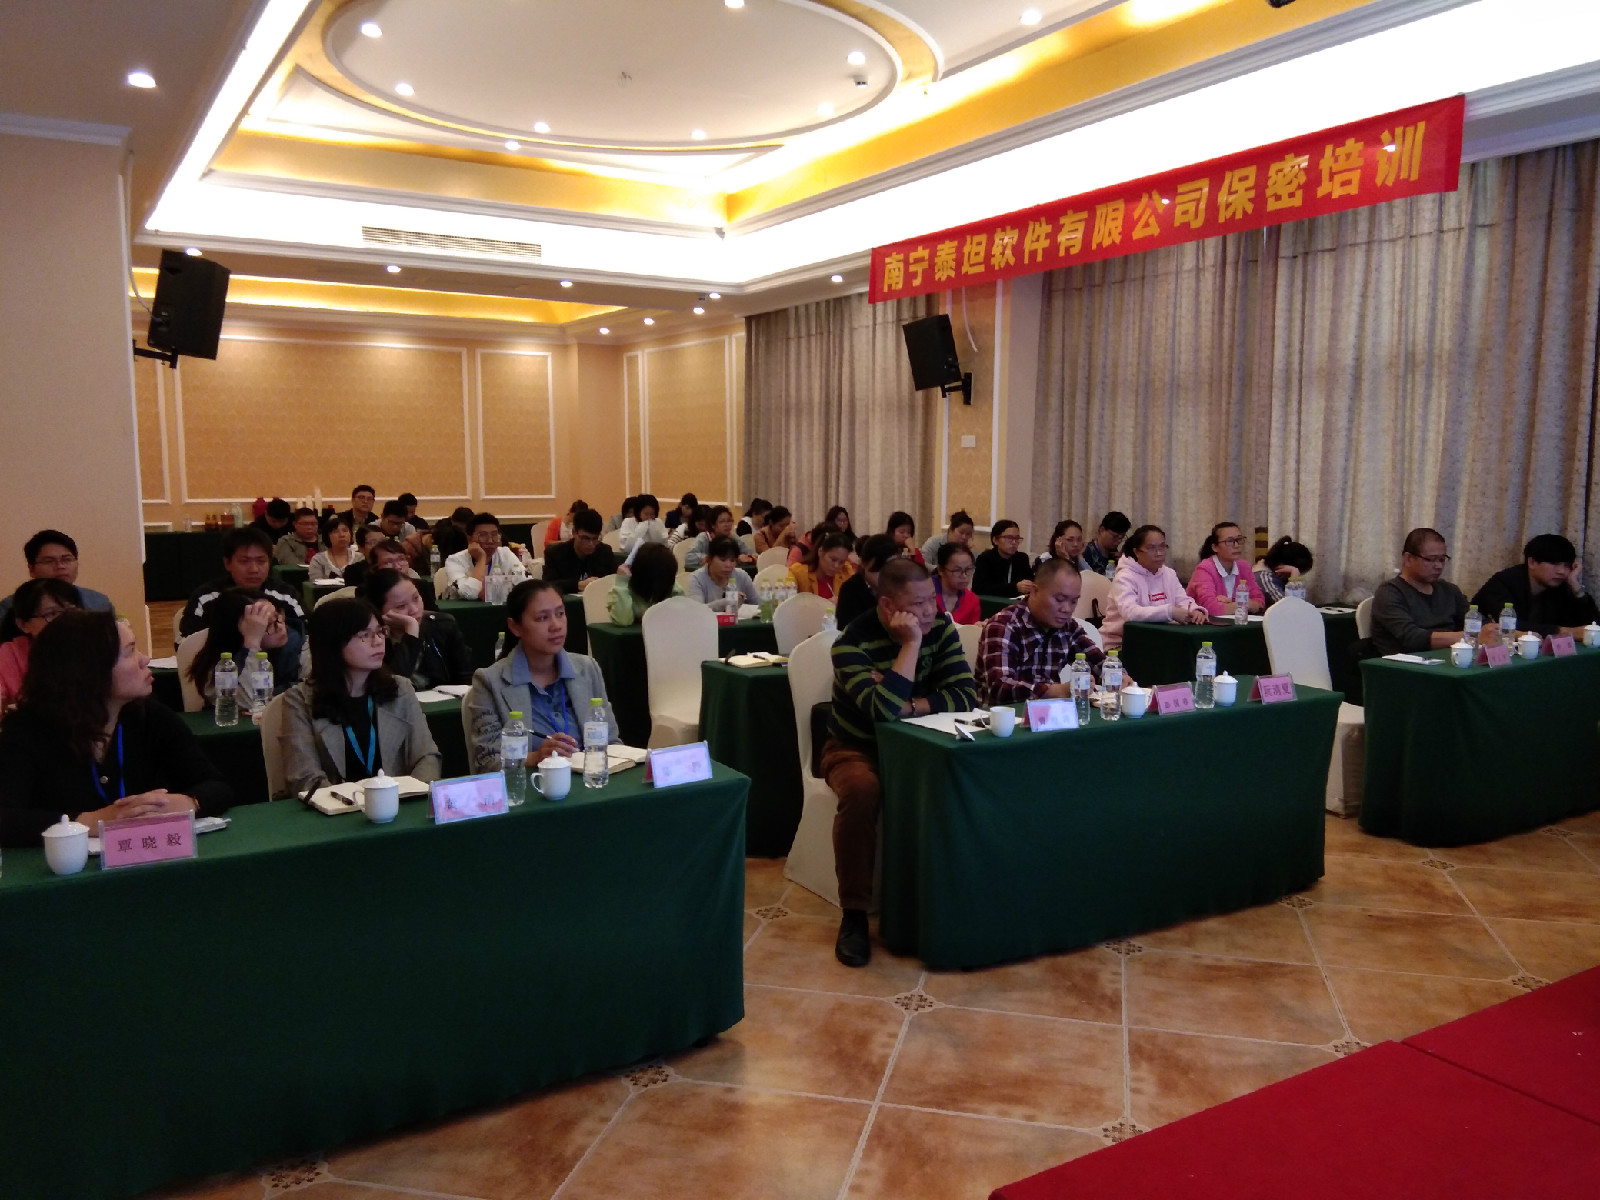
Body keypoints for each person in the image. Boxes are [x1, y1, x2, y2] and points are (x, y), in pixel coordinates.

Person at [824, 558, 977, 966]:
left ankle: (951, 900)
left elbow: (966, 694)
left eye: (932, 600)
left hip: (923, 745)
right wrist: (910, 646)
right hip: (857, 747)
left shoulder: (941, 627)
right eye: (918, 604)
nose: (929, 611)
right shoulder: (850, 644)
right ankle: (854, 914)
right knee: (861, 790)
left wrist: (910, 704)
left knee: (968, 777)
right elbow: (881, 712)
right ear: (889, 606)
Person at [0, 611, 233, 846]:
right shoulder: (27, 730)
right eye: (130, 651)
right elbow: (5, 817)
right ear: (89, 669)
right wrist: (89, 821)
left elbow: (216, 785)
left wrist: (188, 802)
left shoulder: (151, 717)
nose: (145, 659)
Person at [275, 597, 441, 798]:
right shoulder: (300, 700)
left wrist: (413, 795)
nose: (378, 641)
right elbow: (305, 777)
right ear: (333, 642)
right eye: (364, 635)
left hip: (397, 804)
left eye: (380, 632)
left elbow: (426, 757)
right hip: (336, 810)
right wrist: (353, 805)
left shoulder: (400, 689)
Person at [462, 579, 618, 773]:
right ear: (515, 627)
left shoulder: (587, 668)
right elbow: (486, 762)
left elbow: (612, 744)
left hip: (591, 782)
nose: (556, 625)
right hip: (533, 786)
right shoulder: (489, 681)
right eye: (542, 618)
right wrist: (534, 758)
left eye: (560, 614)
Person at [979, 559, 1110, 706]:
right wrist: (1056, 691)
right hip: (1004, 716)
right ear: (1034, 591)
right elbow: (999, 689)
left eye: (1073, 601)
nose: (1067, 609)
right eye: (1059, 599)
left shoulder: (1068, 627)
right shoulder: (1004, 625)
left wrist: (1118, 676)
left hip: (1051, 713)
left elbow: (1099, 663)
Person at [180, 527, 306, 639]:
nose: (254, 569)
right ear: (227, 563)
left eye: (261, 561)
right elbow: (184, 643)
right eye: (244, 561)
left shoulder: (286, 595)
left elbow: (308, 633)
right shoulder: (206, 598)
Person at [186, 587, 302, 706]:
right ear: (237, 632)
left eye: (278, 617)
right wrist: (252, 643)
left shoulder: (298, 645)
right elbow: (249, 703)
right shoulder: (220, 668)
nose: (280, 627)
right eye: (267, 625)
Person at [1100, 524, 1209, 649]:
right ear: (1137, 552)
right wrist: (1170, 612)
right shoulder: (1124, 577)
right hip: (1120, 643)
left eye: (1162, 547)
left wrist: (1195, 610)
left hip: (1159, 639)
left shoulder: (1169, 573)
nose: (1159, 553)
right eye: (1151, 548)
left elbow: (1183, 600)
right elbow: (1130, 613)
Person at [1370, 528, 1476, 655]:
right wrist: (1469, 637)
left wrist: (1488, 631)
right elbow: (1412, 638)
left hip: (1451, 657)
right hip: (1407, 662)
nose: (1438, 566)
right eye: (1431, 559)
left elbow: (1475, 621)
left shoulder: (1449, 590)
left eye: (1442, 559)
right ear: (1408, 559)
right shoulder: (1389, 592)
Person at [1470, 535, 1598, 637]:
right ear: (1532, 562)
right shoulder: (1503, 583)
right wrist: (1564, 631)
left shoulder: (1560, 586)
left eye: (1567, 565)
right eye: (1554, 564)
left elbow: (1593, 625)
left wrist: (1576, 588)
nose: (1562, 571)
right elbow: (1509, 625)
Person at [365, 568, 473, 690]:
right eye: (401, 606)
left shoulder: (443, 625)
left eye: (416, 598)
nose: (414, 610)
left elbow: (465, 680)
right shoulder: (373, 640)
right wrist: (411, 632)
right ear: (379, 611)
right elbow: (393, 688)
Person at [0, 530, 114, 623]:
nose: (60, 566)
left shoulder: (98, 602)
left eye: (67, 559)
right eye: (49, 561)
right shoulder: (11, 606)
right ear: (32, 569)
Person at [0, 578, 81, 708]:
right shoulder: (9, 655)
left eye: (71, 611)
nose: (66, 620)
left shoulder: (94, 647)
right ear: (23, 624)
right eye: (52, 613)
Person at [1186, 522, 1265, 617]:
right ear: (1215, 547)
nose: (1236, 545)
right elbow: (1210, 608)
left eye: (1239, 539)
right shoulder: (1204, 569)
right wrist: (1244, 604)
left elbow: (1259, 601)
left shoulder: (1244, 567)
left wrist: (1233, 604)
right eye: (1230, 541)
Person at [443, 512, 527, 600]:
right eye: (483, 535)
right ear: (470, 539)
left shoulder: (506, 554)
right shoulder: (455, 560)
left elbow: (524, 585)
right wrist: (481, 559)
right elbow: (469, 593)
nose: (490, 541)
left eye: (494, 535)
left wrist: (488, 591)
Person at [542, 508, 619, 594]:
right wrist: (577, 585)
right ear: (574, 532)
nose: (591, 544)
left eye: (595, 538)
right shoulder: (555, 553)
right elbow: (547, 586)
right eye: (585, 538)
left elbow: (614, 580)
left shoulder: (605, 552)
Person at [608, 542, 683, 625]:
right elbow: (623, 621)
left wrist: (651, 614)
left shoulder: (670, 585)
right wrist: (621, 582)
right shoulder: (624, 587)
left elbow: (683, 616)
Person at [834, 534, 899, 630]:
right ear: (864, 563)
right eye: (879, 569)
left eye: (891, 569)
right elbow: (846, 630)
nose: (885, 575)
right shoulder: (851, 589)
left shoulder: (899, 587)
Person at [686, 536, 760, 611]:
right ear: (709, 559)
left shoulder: (741, 576)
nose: (728, 565)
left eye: (732, 560)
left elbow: (757, 604)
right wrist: (727, 601)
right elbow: (697, 610)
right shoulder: (697, 579)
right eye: (723, 560)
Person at [685, 506, 756, 572]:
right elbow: (689, 557)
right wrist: (710, 558)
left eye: (729, 521)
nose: (726, 525)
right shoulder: (704, 537)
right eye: (722, 522)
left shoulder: (733, 537)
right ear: (713, 525)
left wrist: (747, 558)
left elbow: (751, 553)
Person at [789, 531, 856, 600]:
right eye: (833, 560)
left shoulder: (846, 572)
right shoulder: (798, 573)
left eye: (842, 562)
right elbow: (787, 602)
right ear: (820, 552)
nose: (836, 566)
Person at [972, 520, 1032, 597]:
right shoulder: (985, 559)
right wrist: (1015, 588)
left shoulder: (1022, 559)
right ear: (995, 540)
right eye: (1009, 538)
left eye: (1017, 538)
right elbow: (979, 589)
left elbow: (1031, 581)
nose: (1014, 542)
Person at [1254, 537, 1315, 607]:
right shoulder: (1264, 577)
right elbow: (1288, 606)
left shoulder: (1278, 576)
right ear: (1283, 565)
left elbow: (1300, 604)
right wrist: (1294, 577)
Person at [342, 537, 418, 592]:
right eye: (388, 562)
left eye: (401, 559)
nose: (397, 566)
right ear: (375, 568)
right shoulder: (366, 593)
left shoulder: (419, 586)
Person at [932, 541, 981, 624]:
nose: (964, 576)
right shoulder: (924, 595)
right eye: (957, 570)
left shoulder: (972, 600)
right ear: (941, 570)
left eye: (968, 569)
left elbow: (970, 629)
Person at [790, 506, 857, 566]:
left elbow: (852, 566)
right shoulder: (799, 551)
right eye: (833, 559)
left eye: (845, 520)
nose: (836, 565)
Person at [309, 515, 358, 582]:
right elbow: (315, 584)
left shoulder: (360, 558)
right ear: (327, 536)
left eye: (345, 531)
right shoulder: (318, 560)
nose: (342, 535)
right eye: (336, 531)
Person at [1083, 511, 1132, 578]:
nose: (1119, 541)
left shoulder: (1115, 554)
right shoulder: (1088, 552)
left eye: (1122, 537)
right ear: (1102, 530)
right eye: (1115, 536)